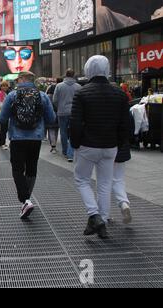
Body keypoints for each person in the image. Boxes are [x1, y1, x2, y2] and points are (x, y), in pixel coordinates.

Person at [70, 55, 130, 239]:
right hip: (110, 146)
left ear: (88, 69)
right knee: (105, 183)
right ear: (107, 69)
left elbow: (76, 122)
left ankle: (94, 215)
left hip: (88, 145)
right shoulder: (119, 93)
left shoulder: (82, 93)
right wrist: (119, 144)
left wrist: (75, 143)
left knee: (82, 179)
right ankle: (101, 220)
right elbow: (125, 124)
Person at [0, 71, 56, 220]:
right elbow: (51, 118)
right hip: (36, 138)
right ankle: (27, 199)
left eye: (18, 79)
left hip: (17, 138)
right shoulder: (42, 95)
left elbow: (3, 117)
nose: (17, 82)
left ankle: (25, 200)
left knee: (17, 169)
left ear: (22, 79)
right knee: (31, 167)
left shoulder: (12, 95)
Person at [53, 69, 82, 163]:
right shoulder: (78, 87)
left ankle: (65, 151)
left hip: (62, 112)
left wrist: (59, 107)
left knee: (63, 132)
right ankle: (71, 152)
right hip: (74, 112)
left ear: (65, 75)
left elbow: (55, 100)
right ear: (74, 75)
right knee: (73, 132)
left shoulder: (59, 86)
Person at [46, 78, 63, 154]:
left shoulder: (50, 91)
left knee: (51, 129)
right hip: (60, 111)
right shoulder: (61, 89)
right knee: (56, 129)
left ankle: (53, 146)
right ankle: (54, 144)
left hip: (51, 112)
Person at [0, 81, 10, 150]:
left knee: (5, 129)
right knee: (3, 129)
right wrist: (6, 107)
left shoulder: (4, 93)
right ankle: (2, 144)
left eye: (6, 86)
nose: (5, 87)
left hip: (5, 113)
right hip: (2, 113)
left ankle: (3, 143)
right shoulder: (0, 93)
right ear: (0, 87)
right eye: (3, 86)